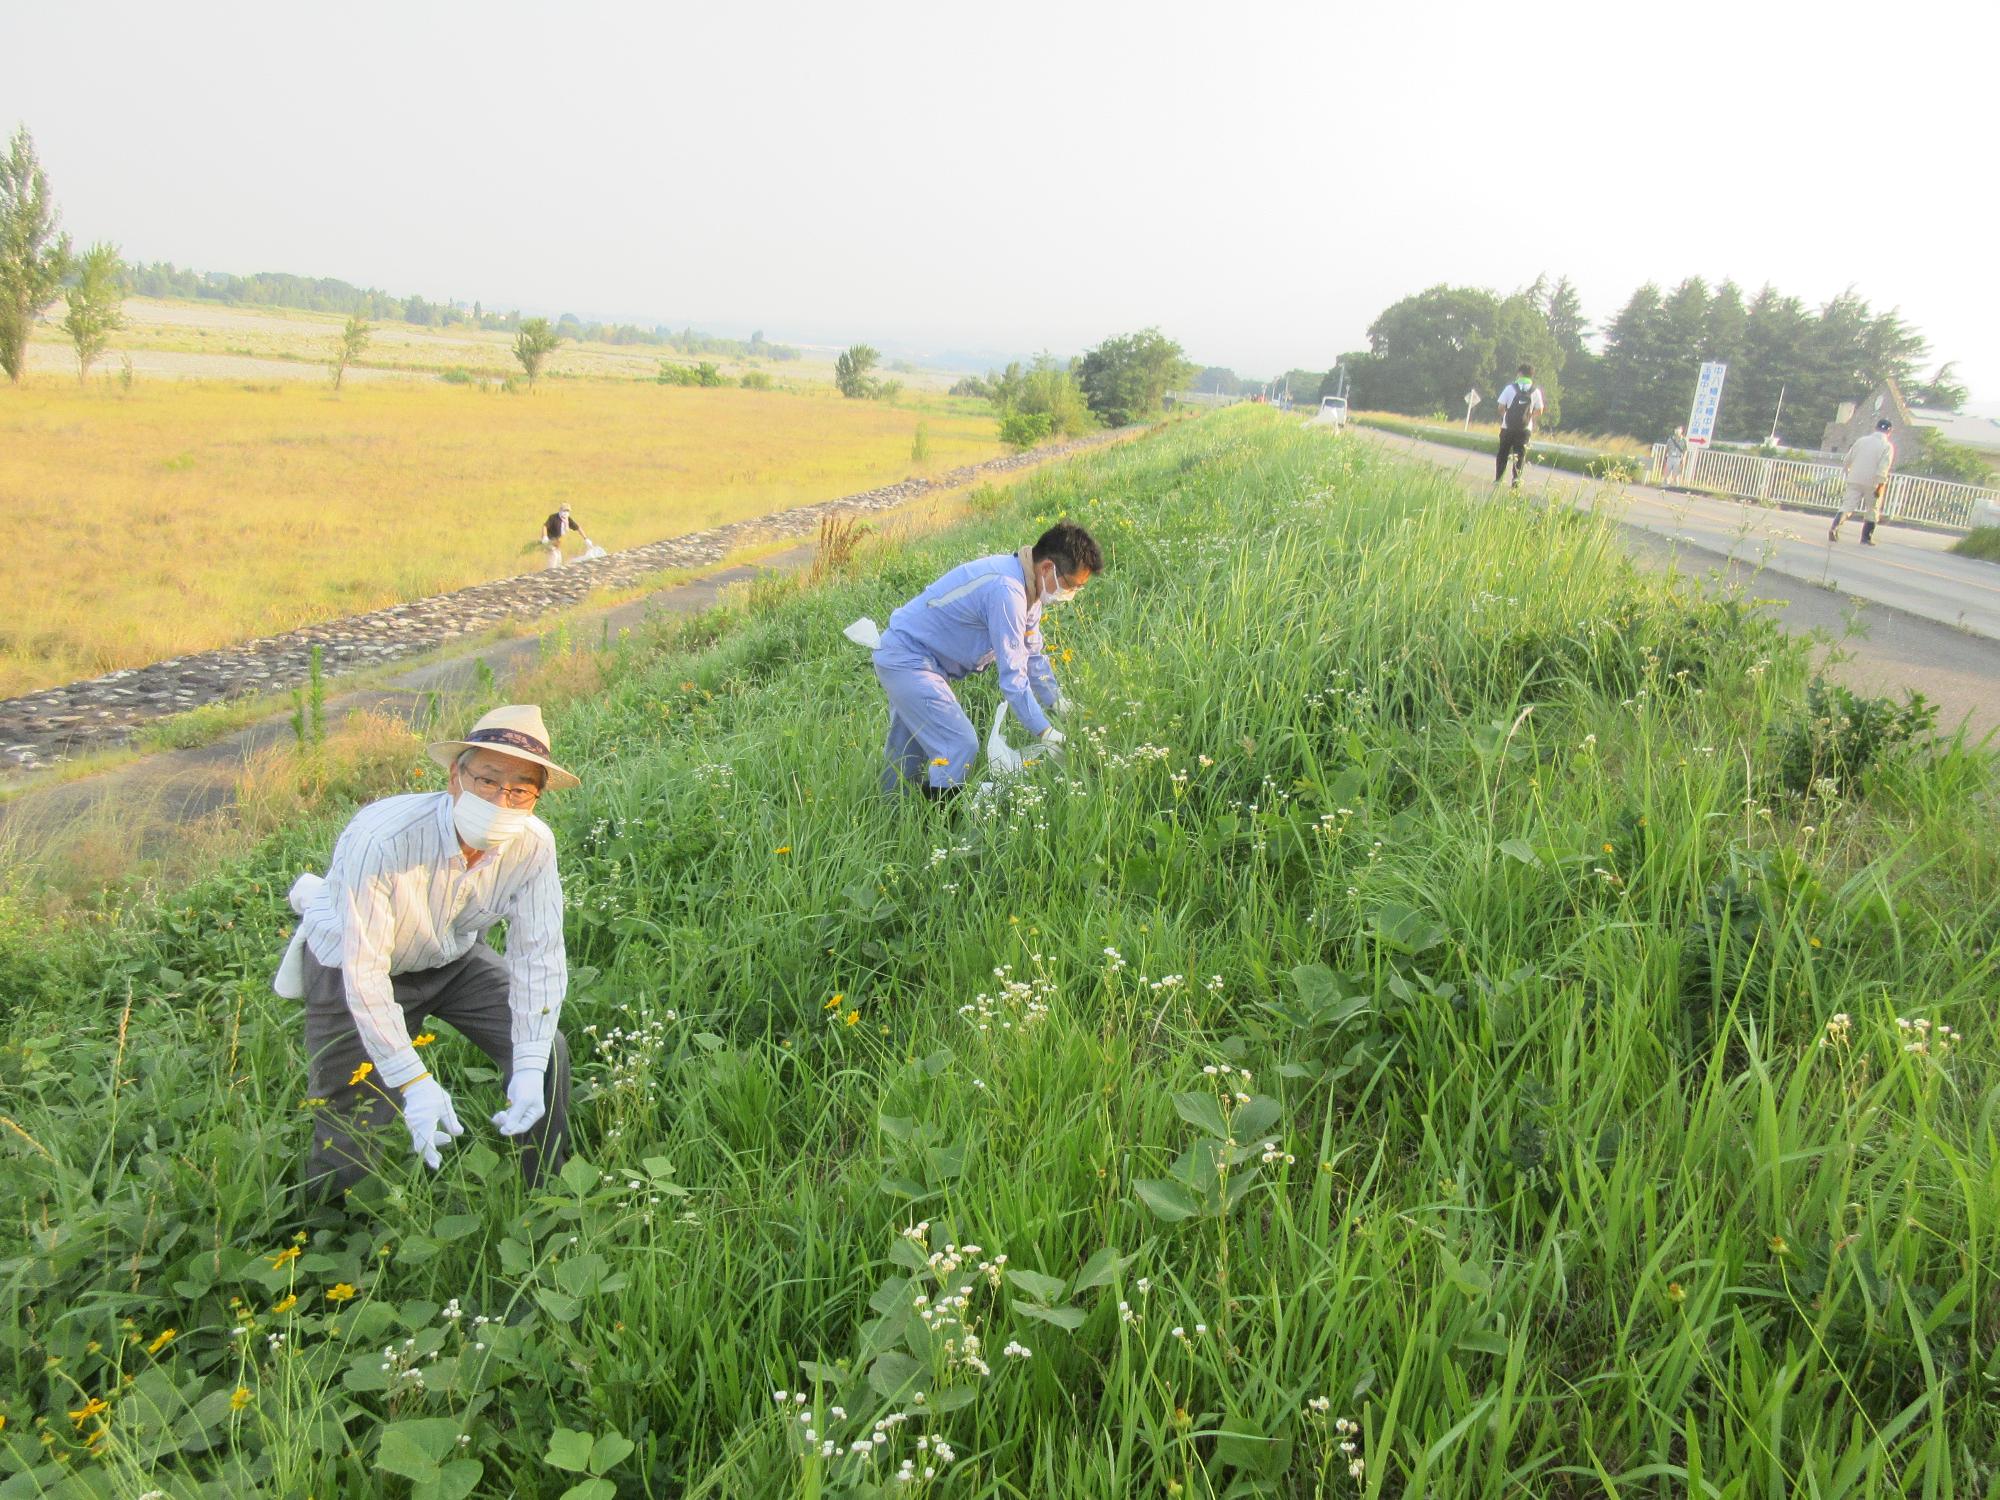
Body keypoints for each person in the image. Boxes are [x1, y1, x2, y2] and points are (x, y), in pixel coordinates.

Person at [271, 704, 579, 1199]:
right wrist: (412, 1081)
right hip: (355, 964)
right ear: (456, 778)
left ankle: (548, 1189)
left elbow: (539, 954)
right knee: (355, 1105)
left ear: (536, 800)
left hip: (451, 957)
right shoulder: (384, 836)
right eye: (487, 780)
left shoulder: (533, 846)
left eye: (520, 789)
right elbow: (365, 971)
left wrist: (526, 1064)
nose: (501, 799)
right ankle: (332, 1229)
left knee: (547, 1054)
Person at [866, 520, 1101, 800]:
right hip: (908, 658)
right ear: (1048, 568)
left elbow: (1032, 655)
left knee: (907, 755)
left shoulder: (1030, 590)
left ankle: (895, 819)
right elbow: (1014, 677)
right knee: (958, 745)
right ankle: (942, 832)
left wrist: (1058, 703)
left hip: (916, 659)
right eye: (1071, 585)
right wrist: (1045, 731)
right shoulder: (1007, 591)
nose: (1070, 595)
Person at [1829, 418, 1896, 545]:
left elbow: (1847, 459)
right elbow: (1883, 468)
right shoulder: (1887, 446)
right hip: (1873, 482)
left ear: (1875, 428)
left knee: (1847, 506)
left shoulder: (1861, 441)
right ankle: (1866, 538)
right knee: (1872, 509)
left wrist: (1848, 472)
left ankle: (1834, 527)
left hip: (1854, 478)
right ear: (1889, 432)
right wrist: (1880, 485)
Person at [1494, 365, 1544, 488]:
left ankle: (1498, 480)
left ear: (1519, 374)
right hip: (1525, 429)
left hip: (1507, 427)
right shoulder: (1535, 391)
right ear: (1531, 375)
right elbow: (1540, 410)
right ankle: (1516, 482)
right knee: (1520, 456)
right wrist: (1529, 416)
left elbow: (1500, 407)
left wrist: (1505, 416)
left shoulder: (1509, 388)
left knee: (1503, 453)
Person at [541, 503, 589, 569]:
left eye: (567, 511)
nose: (566, 513)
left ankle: (555, 572)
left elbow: (578, 528)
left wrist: (585, 538)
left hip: (557, 541)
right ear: (560, 510)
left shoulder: (568, 520)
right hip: (549, 540)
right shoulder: (553, 517)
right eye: (564, 511)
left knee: (559, 558)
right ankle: (550, 572)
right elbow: (545, 526)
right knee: (554, 556)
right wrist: (544, 537)